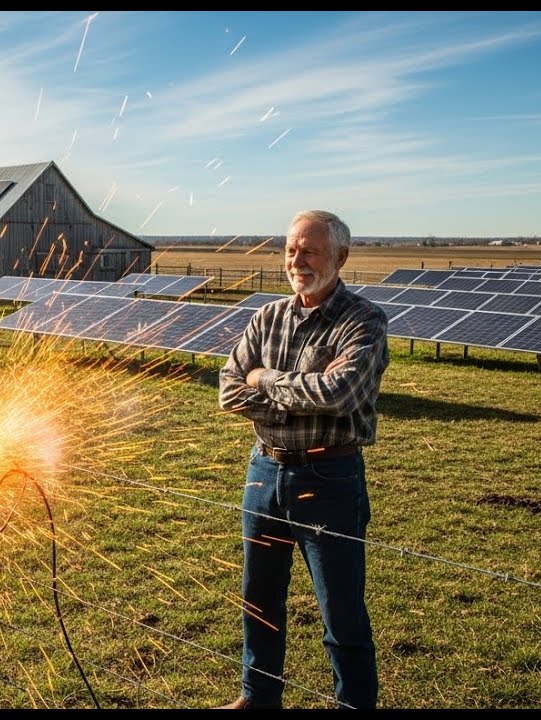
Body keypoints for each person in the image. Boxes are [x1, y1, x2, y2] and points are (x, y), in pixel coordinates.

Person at [216, 210, 389, 709]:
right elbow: (228, 390)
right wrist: (290, 388)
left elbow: (337, 393)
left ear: (340, 257)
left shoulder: (363, 320)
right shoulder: (266, 317)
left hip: (329, 476)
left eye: (310, 250)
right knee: (259, 599)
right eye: (292, 249)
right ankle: (258, 697)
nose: (298, 260)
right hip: (264, 469)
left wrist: (265, 379)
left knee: (341, 614)